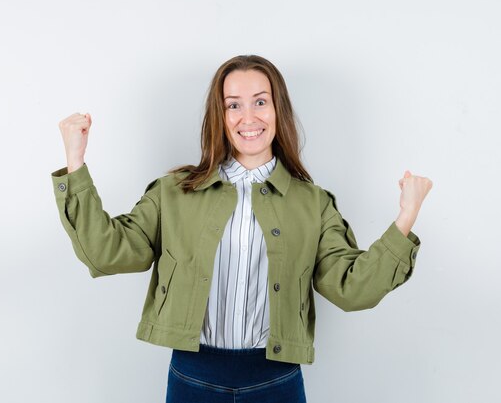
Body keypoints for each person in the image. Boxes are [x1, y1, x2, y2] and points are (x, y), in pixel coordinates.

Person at [51, 54, 433, 402]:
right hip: (192, 379)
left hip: (276, 382)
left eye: (260, 102)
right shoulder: (173, 193)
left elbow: (352, 289)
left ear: (277, 110)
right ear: (220, 114)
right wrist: (75, 162)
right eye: (234, 105)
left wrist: (406, 217)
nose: (247, 117)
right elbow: (106, 253)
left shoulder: (313, 204)